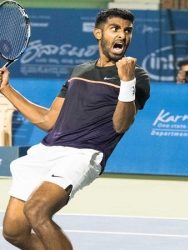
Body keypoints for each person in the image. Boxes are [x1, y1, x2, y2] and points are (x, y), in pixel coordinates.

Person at [0, 8, 150, 250]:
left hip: (83, 154)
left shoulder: (137, 77)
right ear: (98, 33)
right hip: (48, 150)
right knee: (14, 231)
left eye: (128, 30)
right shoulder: (79, 72)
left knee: (37, 210)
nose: (123, 35)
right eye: (116, 29)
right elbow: (49, 120)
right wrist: (7, 89)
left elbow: (121, 125)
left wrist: (127, 82)